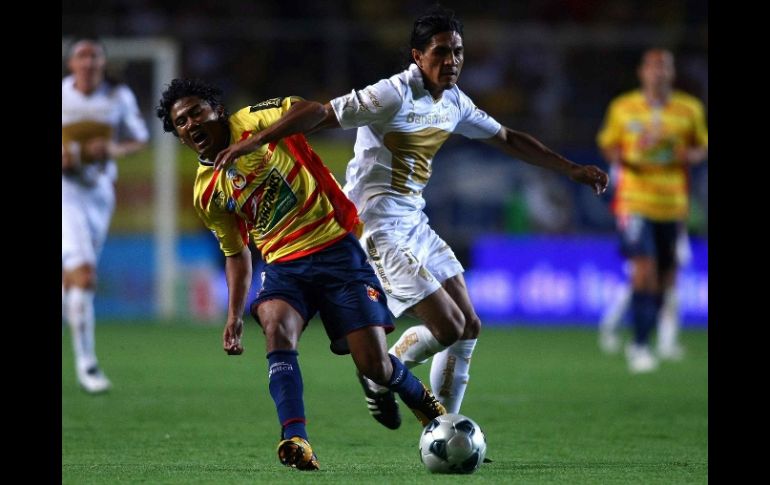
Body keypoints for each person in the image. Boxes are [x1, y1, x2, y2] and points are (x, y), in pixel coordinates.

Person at [211, 6, 609, 429]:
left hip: (414, 222)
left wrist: (571, 169)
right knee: (449, 324)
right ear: (417, 56)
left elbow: (508, 138)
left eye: (457, 51)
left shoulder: (454, 102)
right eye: (440, 52)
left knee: (469, 325)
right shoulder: (391, 94)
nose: (451, 61)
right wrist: (257, 141)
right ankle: (383, 370)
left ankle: (446, 428)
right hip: (376, 225)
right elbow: (323, 114)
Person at [155, 78, 446, 471]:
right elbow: (236, 253)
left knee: (374, 365)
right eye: (181, 123)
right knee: (275, 324)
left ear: (216, 112)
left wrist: (257, 141)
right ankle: (295, 438)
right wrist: (233, 315)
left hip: (336, 250)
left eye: (195, 113)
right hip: (283, 267)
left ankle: (422, 402)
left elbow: (312, 110)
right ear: (179, 136)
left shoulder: (254, 120)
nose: (190, 124)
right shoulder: (206, 191)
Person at [597, 48, 708, 373]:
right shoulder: (623, 108)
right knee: (643, 271)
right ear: (642, 72)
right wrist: (629, 153)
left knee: (665, 278)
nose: (659, 73)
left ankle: (649, 337)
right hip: (635, 201)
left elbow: (700, 146)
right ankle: (640, 345)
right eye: (653, 67)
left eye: (665, 67)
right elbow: (608, 145)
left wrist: (688, 155)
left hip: (672, 205)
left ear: (671, 73)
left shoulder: (689, 109)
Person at [62, 38, 149, 393]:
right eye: (82, 56)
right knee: (84, 276)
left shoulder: (117, 97)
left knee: (74, 280)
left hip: (98, 193)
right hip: (65, 191)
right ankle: (88, 365)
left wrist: (112, 148)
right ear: (71, 64)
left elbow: (139, 138)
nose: (88, 62)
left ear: (102, 64)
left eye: (94, 56)